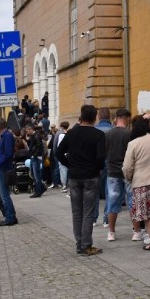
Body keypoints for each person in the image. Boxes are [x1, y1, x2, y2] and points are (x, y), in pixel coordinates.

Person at [56, 105, 106, 256]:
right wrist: (97, 168)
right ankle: (86, 245)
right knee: (88, 212)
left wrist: (69, 165)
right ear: (94, 117)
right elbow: (100, 158)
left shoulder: (71, 133)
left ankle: (79, 243)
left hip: (74, 176)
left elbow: (58, 152)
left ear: (81, 116)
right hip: (90, 176)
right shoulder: (98, 135)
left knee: (77, 212)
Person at [123, 115, 150, 250]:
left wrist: (129, 178)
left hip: (141, 183)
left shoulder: (133, 143)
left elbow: (127, 166)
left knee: (147, 216)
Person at [104, 109, 140, 241]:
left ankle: (111, 232)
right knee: (132, 202)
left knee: (112, 202)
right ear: (127, 118)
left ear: (117, 118)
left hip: (112, 171)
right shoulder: (130, 133)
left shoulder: (108, 134)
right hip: (128, 172)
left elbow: (105, 153)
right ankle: (136, 232)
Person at [0, 117, 18, 227]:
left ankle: (10, 218)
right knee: (5, 194)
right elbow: (2, 152)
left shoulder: (7, 136)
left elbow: (8, 154)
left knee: (4, 195)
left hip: (3, 169)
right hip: (2, 167)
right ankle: (12, 216)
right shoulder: (5, 135)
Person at [94, 107, 113, 227]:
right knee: (109, 191)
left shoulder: (93, 130)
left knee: (94, 192)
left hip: (96, 164)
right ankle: (107, 218)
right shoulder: (113, 130)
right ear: (109, 116)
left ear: (99, 116)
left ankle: (93, 218)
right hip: (110, 163)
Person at [26, 125, 45, 197]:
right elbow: (32, 145)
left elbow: (39, 146)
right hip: (34, 156)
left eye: (27, 131)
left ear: (31, 129)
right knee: (33, 174)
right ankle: (41, 188)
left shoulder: (36, 135)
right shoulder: (34, 135)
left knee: (36, 175)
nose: (27, 132)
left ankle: (38, 191)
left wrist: (35, 155)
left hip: (36, 157)